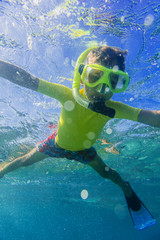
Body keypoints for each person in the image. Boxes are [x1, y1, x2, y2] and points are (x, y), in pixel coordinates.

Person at [0, 46, 159, 229]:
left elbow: (153, 117)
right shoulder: (67, 95)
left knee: (108, 173)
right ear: (82, 76)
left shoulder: (113, 109)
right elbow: (27, 79)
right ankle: (2, 171)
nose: (102, 89)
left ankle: (126, 189)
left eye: (114, 81)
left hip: (84, 151)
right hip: (57, 144)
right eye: (94, 76)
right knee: (25, 159)